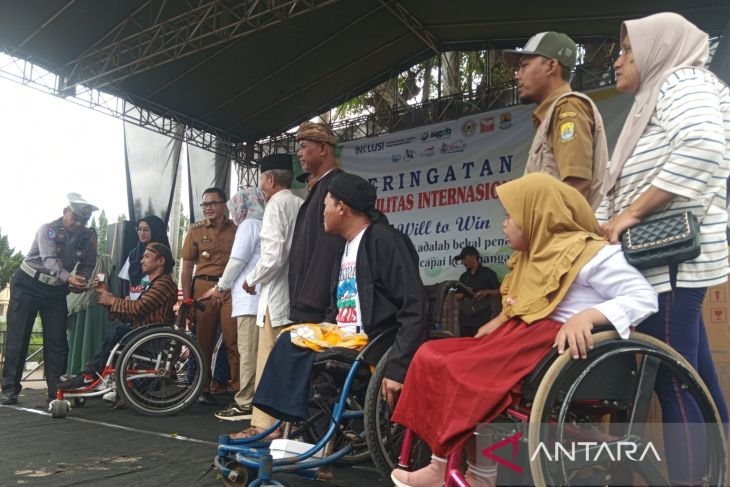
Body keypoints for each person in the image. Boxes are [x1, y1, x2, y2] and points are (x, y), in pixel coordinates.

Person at [390, 173, 658, 487]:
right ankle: (438, 463)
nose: (504, 224)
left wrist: (588, 317)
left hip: (553, 345)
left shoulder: (593, 254)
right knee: (431, 354)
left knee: (464, 373)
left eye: (511, 216)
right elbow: (525, 304)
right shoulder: (531, 258)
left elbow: (643, 298)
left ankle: (481, 475)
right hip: (519, 336)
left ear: (537, 217)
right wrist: (500, 320)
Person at [599, 12, 730, 485]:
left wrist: (631, 214)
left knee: (671, 380)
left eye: (627, 50)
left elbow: (703, 146)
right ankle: (716, 470)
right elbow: (619, 189)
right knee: (696, 378)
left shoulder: (682, 79)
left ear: (657, 51)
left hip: (669, 262)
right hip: (661, 263)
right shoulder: (656, 97)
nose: (617, 60)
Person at [251, 172, 429, 424]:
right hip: (344, 335)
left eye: (325, 206)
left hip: (373, 341)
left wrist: (398, 367)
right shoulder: (342, 249)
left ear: (341, 207)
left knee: (293, 347)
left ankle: (290, 426)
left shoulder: (385, 241)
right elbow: (336, 308)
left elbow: (414, 307)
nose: (323, 213)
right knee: (289, 339)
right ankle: (286, 425)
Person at [1, 193, 98, 405]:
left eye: (83, 221)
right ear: (65, 212)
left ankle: (56, 391)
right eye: (75, 218)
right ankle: (10, 389)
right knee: (19, 337)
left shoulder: (88, 236)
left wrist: (80, 280)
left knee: (58, 341)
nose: (79, 224)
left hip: (56, 290)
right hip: (28, 284)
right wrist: (69, 278)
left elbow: (89, 263)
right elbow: (50, 260)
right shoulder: (48, 229)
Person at [232, 154, 302, 439]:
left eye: (261, 179)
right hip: (295, 295)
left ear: (270, 180)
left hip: (275, 297)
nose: (260, 186)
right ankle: (285, 425)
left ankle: (264, 426)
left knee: (268, 363)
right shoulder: (300, 203)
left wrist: (251, 279)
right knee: (288, 364)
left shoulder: (276, 205)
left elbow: (273, 256)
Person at [505, 31, 608, 209]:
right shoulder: (553, 114)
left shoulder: (568, 107)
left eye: (524, 66)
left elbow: (576, 187)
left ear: (551, 66)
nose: (517, 75)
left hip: (566, 228)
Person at [57, 242, 178, 390]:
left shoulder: (164, 284)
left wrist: (112, 300)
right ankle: (94, 374)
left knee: (118, 330)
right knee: (118, 328)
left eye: (146, 257)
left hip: (153, 338)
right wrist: (106, 296)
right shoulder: (156, 284)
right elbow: (132, 314)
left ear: (161, 261)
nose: (141, 261)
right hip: (145, 332)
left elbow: (138, 308)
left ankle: (92, 374)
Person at [203, 188, 266, 422]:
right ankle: (253, 400)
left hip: (250, 302)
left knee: (247, 352)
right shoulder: (262, 224)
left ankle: (246, 402)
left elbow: (237, 261)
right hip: (256, 300)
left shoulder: (249, 225)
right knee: (254, 352)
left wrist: (220, 287)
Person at [180, 187, 238, 405]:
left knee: (233, 340)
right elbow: (186, 269)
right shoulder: (195, 231)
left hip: (230, 288)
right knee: (203, 340)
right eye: (205, 204)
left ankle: (239, 389)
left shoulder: (236, 229)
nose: (208, 208)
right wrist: (187, 299)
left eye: (213, 203)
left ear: (224, 205)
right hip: (203, 288)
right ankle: (202, 387)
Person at [288, 122, 346, 323]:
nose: (299, 153)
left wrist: (310, 299)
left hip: (318, 303)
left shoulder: (336, 184)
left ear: (322, 148)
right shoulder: (321, 186)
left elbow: (330, 245)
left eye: (304, 146)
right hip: (307, 298)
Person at [118, 215, 170, 300]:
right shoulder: (133, 254)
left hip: (152, 301)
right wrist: (127, 297)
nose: (142, 233)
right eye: (139, 229)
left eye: (146, 230)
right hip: (131, 303)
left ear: (155, 231)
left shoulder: (162, 254)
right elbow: (126, 279)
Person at [453, 246, 501, 337]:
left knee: (481, 343)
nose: (463, 262)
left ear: (473, 256)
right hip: (465, 320)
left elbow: (499, 291)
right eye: (461, 260)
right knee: (465, 343)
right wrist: (463, 293)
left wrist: (486, 291)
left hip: (482, 319)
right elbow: (456, 296)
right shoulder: (463, 277)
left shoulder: (487, 273)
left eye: (464, 259)